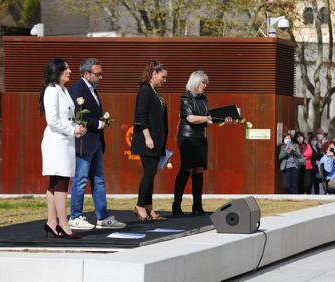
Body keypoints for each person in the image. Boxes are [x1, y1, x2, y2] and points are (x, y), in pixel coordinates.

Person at [68, 58, 126, 230]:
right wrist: (98, 123)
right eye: (97, 74)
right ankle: (75, 216)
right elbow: (78, 115)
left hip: (95, 142)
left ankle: (103, 216)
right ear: (86, 74)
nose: (101, 77)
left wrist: (102, 121)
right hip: (84, 143)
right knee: (80, 180)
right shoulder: (78, 89)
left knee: (99, 180)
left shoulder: (92, 89)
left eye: (101, 73)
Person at [171, 70, 231, 216]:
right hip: (187, 138)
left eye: (206, 83)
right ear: (196, 82)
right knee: (186, 169)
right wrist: (208, 118)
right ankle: (176, 205)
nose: (206, 85)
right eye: (204, 82)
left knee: (198, 170)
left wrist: (223, 119)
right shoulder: (185, 98)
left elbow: (208, 119)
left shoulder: (204, 98)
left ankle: (197, 206)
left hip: (200, 137)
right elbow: (190, 118)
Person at [40, 58, 87, 239]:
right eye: (66, 68)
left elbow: (66, 117)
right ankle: (63, 224)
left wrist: (77, 127)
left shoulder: (63, 90)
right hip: (56, 142)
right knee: (61, 182)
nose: (69, 71)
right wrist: (72, 129)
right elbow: (52, 120)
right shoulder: (52, 91)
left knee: (55, 182)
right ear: (57, 71)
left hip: (65, 141)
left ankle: (52, 223)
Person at [131, 60, 168, 221]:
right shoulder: (145, 90)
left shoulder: (155, 91)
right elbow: (141, 116)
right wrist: (147, 137)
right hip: (148, 140)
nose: (164, 80)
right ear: (154, 74)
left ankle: (148, 207)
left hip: (157, 140)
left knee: (151, 175)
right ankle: (140, 206)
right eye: (163, 76)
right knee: (149, 174)